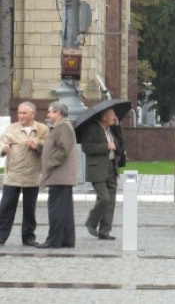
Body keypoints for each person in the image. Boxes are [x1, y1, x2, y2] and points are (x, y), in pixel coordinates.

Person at [0, 102, 48, 247]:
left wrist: (37, 145)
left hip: (32, 174)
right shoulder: (12, 128)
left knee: (30, 208)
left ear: (33, 114)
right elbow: (1, 141)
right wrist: (4, 148)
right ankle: (1, 236)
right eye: (19, 113)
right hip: (13, 174)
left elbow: (49, 146)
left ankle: (28, 238)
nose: (21, 116)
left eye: (24, 113)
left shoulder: (42, 129)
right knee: (6, 207)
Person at [38, 102, 77, 249]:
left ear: (58, 113)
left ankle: (54, 240)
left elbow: (63, 149)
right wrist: (39, 147)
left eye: (50, 112)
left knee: (56, 210)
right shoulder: (60, 126)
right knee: (64, 210)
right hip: (60, 176)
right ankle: (66, 240)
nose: (48, 115)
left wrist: (49, 163)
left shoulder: (63, 126)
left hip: (59, 175)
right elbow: (55, 147)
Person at [82, 107, 124, 241]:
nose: (114, 117)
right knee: (104, 198)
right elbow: (87, 147)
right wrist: (105, 146)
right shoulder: (92, 129)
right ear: (104, 117)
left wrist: (118, 128)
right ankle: (91, 221)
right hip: (97, 169)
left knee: (111, 202)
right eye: (112, 115)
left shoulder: (111, 130)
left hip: (112, 167)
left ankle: (105, 231)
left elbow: (120, 145)